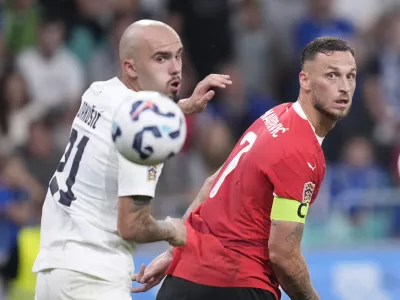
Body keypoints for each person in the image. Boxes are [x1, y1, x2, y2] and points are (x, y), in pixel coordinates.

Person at [132, 36, 357, 300]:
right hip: (236, 284)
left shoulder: (274, 116)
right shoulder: (302, 152)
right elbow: (283, 255)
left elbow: (212, 183)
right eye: (332, 75)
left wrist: (173, 252)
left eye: (350, 76)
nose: (344, 87)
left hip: (184, 276)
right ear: (304, 80)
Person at [33, 19, 232, 300]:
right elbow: (133, 225)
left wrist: (184, 106)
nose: (175, 67)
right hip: (94, 280)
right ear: (130, 67)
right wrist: (175, 231)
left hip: (54, 273)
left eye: (178, 56)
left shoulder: (98, 92)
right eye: (160, 58)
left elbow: (131, 111)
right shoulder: (146, 131)